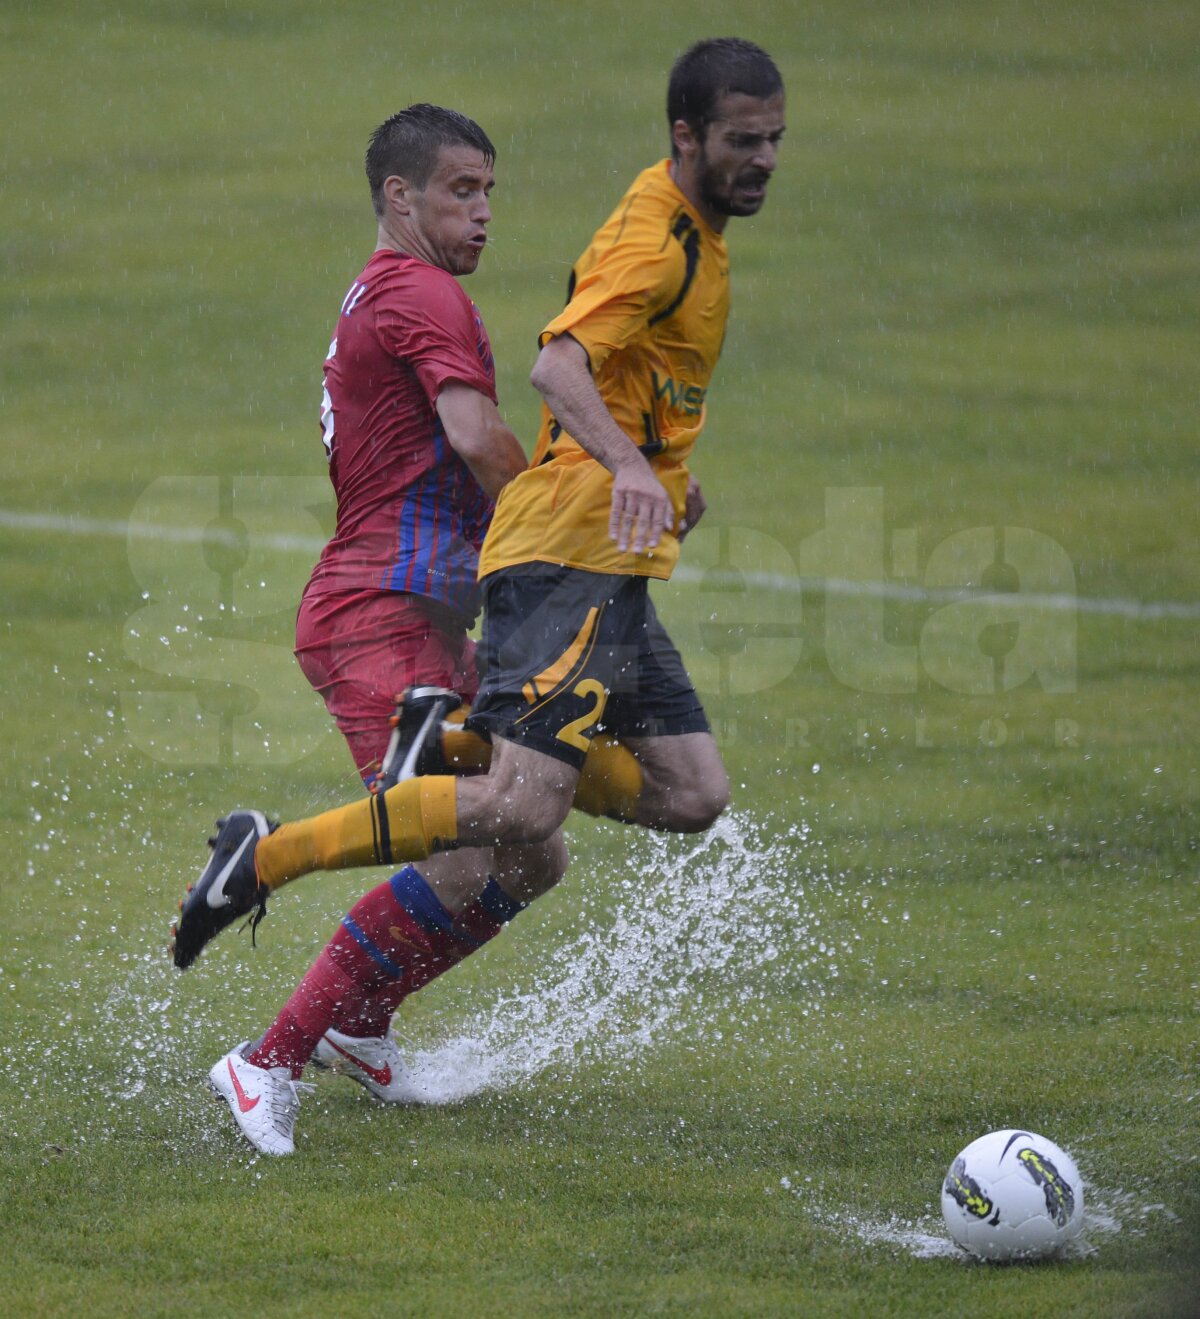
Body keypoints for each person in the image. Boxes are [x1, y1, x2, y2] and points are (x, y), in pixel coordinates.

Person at [175, 38, 785, 1153]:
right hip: (381, 609)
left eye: (490, 191)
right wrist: (568, 506)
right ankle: (267, 1053)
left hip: (417, 605)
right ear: (398, 197)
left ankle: (359, 1018)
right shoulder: (425, 295)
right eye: (461, 191)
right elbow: (474, 433)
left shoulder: (388, 291)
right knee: (469, 849)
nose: (484, 213)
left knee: (534, 848)